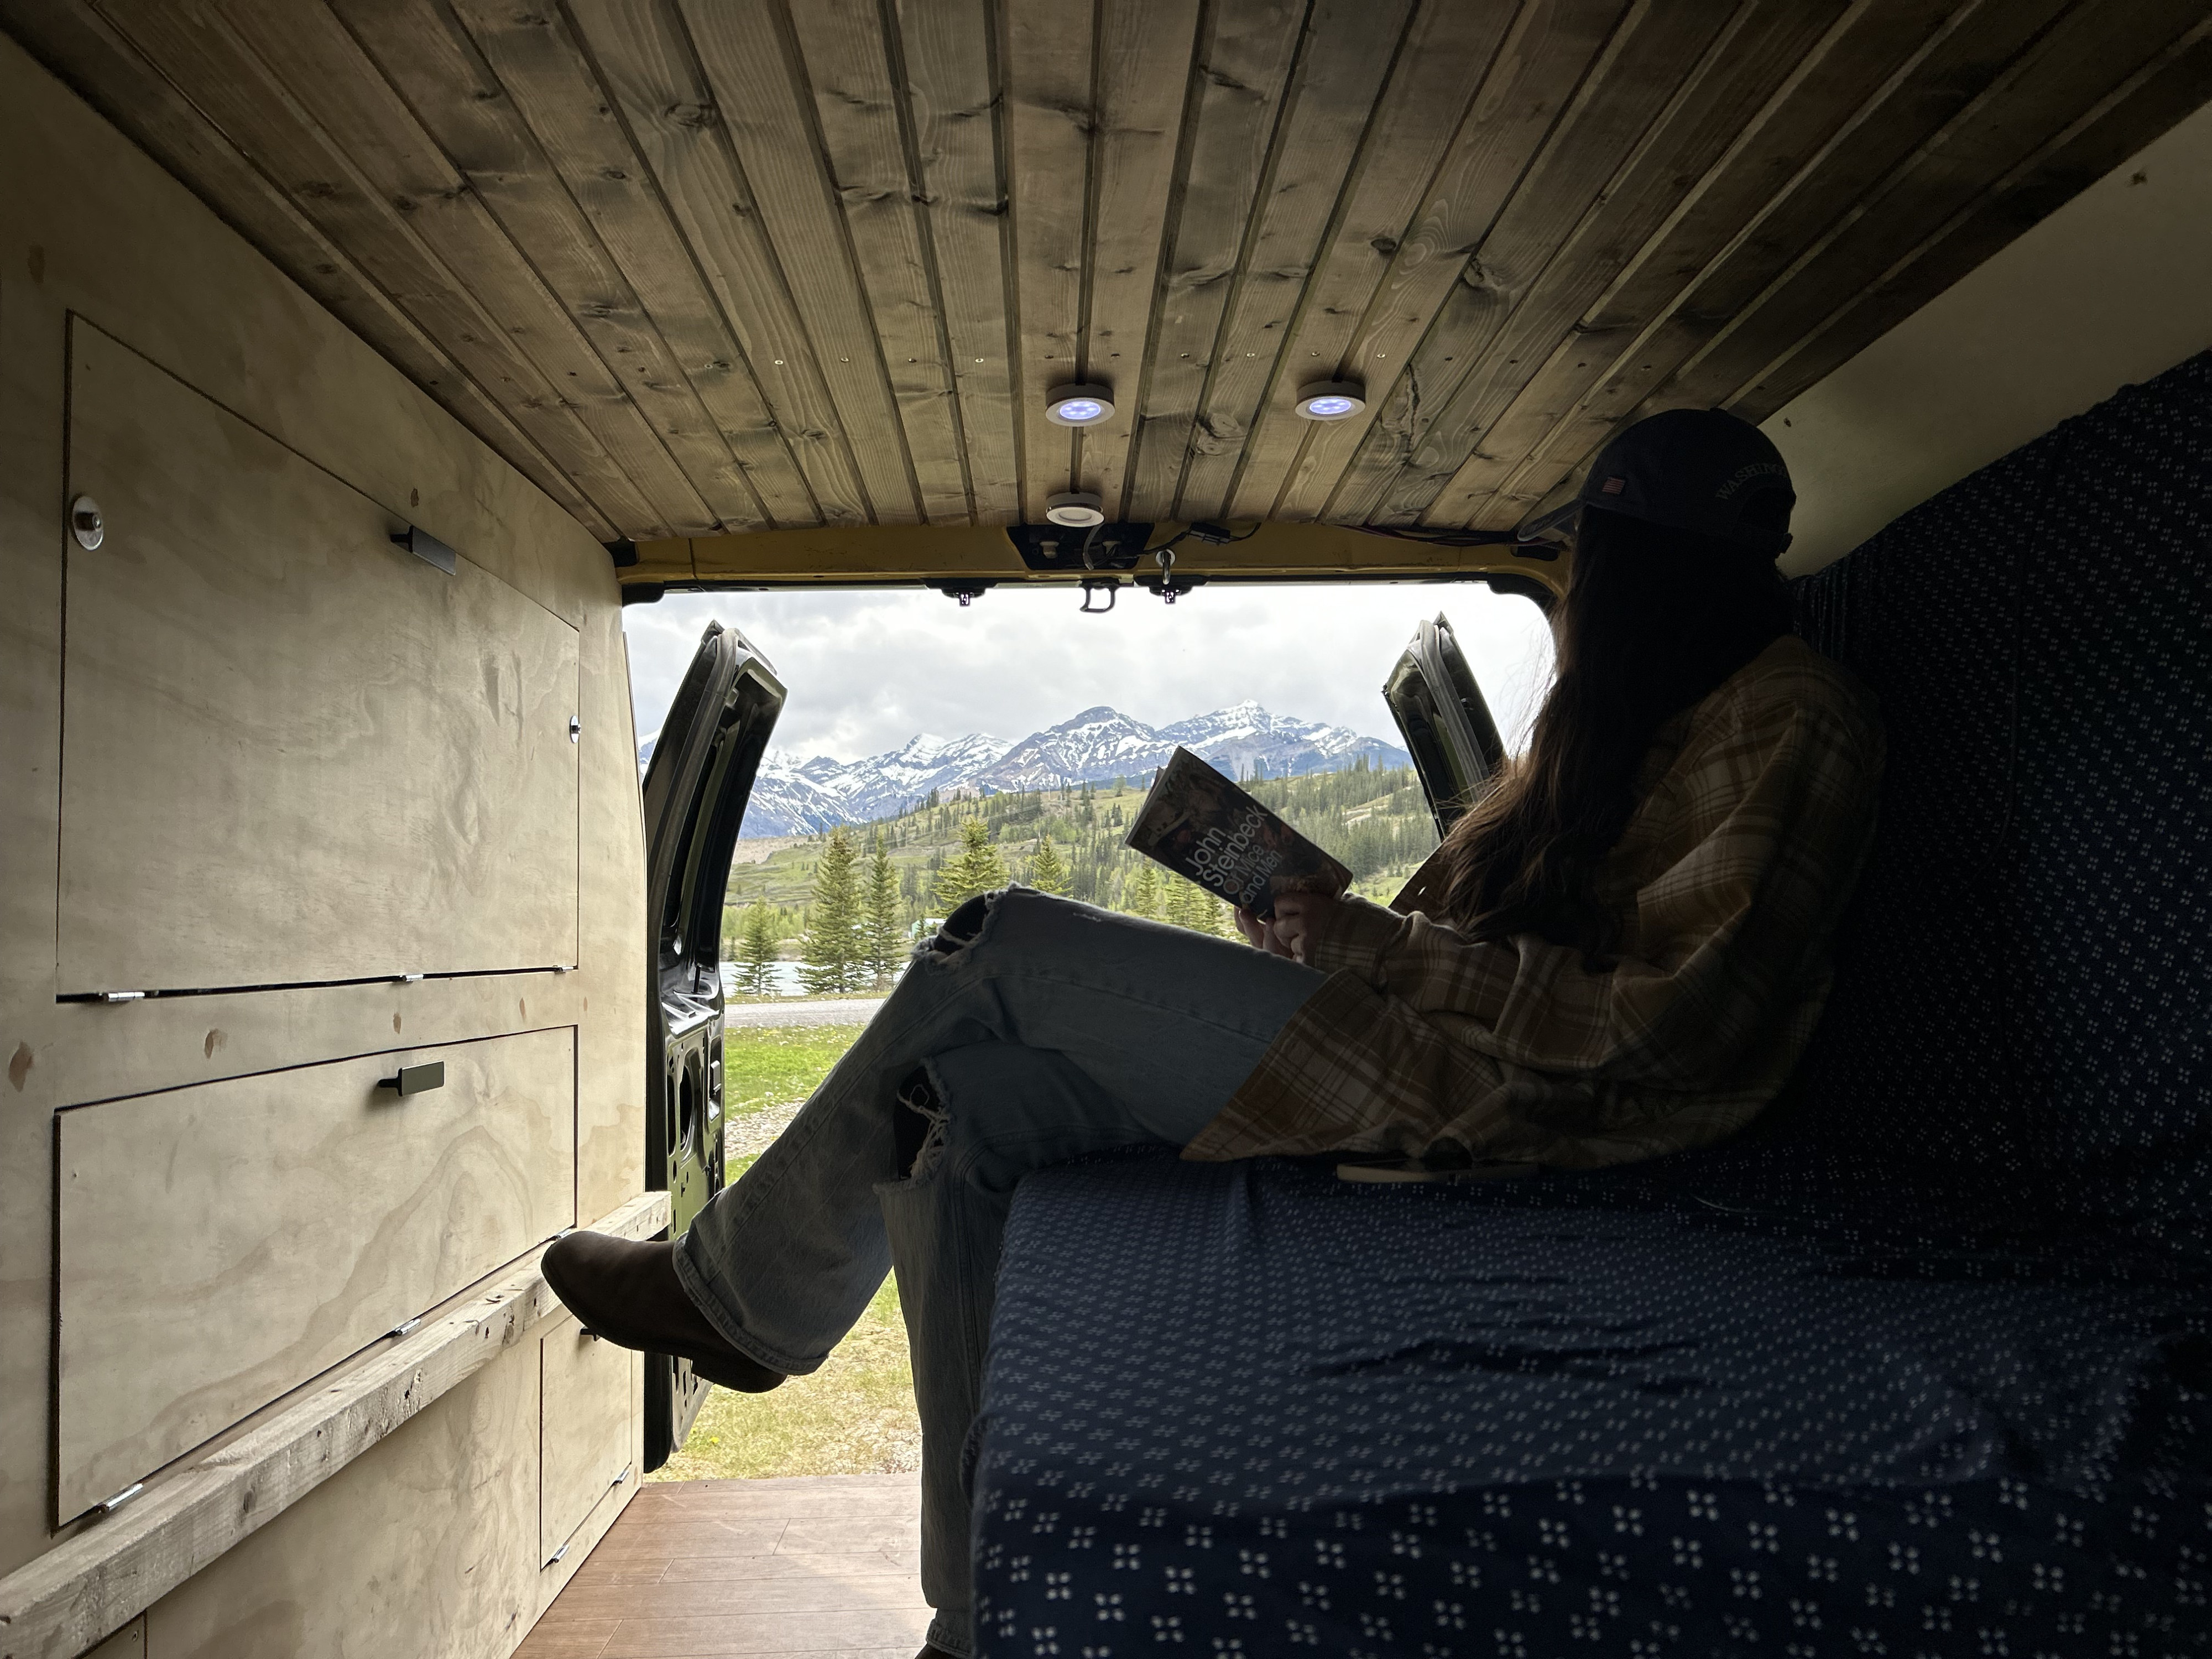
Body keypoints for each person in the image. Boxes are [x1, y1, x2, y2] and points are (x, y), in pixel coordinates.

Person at [542, 408, 1884, 1659]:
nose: (1573, 592)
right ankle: (970, 1615)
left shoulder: (1788, 717)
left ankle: (729, 1302)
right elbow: (1489, 948)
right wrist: (1322, 931)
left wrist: (1361, 945)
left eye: (1581, 563)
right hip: (1441, 1052)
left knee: (999, 935)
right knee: (962, 1103)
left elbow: (1653, 1038)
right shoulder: (1614, 726)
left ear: (1639, 573)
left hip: (1535, 1115)